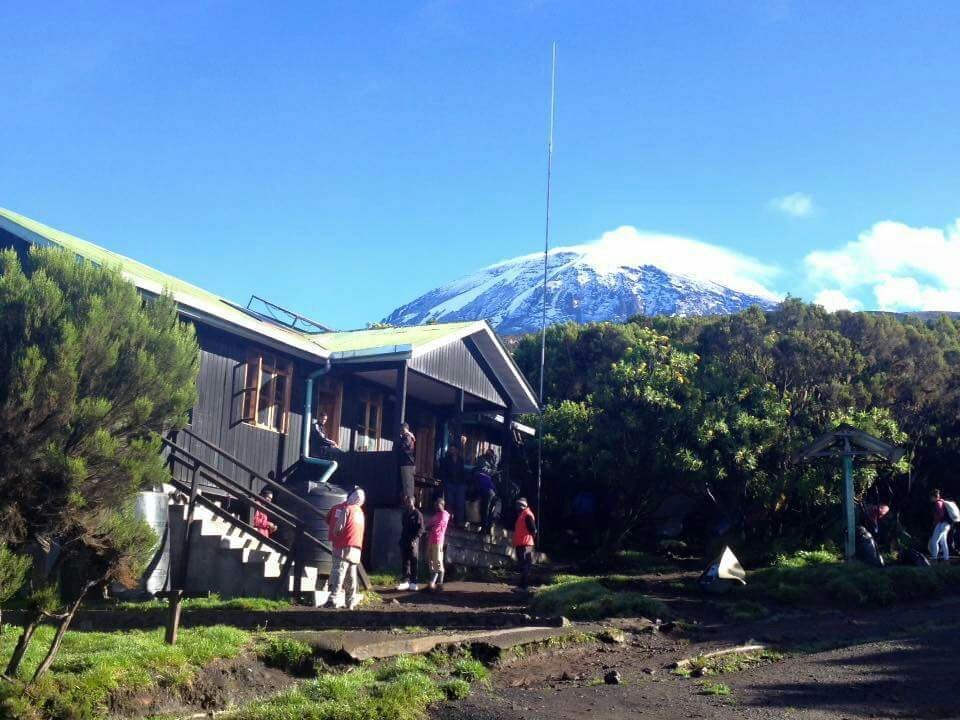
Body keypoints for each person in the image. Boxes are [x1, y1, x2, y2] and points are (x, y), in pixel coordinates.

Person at [325, 487, 366, 609]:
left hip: (343, 546)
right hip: (356, 547)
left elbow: (338, 527)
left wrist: (335, 533)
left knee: (338, 572)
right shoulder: (360, 512)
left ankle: (333, 599)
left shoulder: (347, 509)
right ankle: (350, 601)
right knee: (351, 576)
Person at [397, 494, 424, 591]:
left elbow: (421, 529)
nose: (407, 503)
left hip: (414, 541)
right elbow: (403, 527)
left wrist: (415, 539)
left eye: (409, 502)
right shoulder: (405, 513)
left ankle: (414, 582)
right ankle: (405, 581)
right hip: (404, 540)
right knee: (405, 562)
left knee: (413, 561)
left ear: (413, 502)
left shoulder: (417, 514)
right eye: (406, 502)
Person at [426, 497, 451, 591]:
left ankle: (439, 584)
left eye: (437, 504)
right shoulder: (436, 515)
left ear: (442, 504)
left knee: (438, 562)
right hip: (431, 540)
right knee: (431, 561)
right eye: (435, 504)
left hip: (438, 541)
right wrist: (429, 527)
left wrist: (430, 527)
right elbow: (428, 525)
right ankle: (432, 583)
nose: (435, 506)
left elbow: (437, 527)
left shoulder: (444, 515)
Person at [513, 498, 537, 590]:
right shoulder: (522, 515)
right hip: (522, 544)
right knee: (524, 565)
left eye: (519, 505)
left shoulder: (527, 515)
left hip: (526, 544)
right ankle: (522, 585)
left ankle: (524, 586)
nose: (518, 507)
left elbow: (533, 530)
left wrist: (532, 538)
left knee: (526, 565)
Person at [440, 445, 467, 526]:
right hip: (450, 483)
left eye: (453, 449)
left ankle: (458, 521)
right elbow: (444, 472)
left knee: (459, 503)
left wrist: (463, 483)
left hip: (460, 484)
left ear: (457, 450)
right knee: (449, 502)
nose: (452, 451)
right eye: (451, 449)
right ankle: (447, 520)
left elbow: (462, 472)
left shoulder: (461, 460)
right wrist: (445, 482)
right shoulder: (446, 460)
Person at [473, 466, 497, 536]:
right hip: (494, 494)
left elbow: (478, 489)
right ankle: (488, 529)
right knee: (490, 512)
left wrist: (475, 498)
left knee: (484, 511)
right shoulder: (486, 476)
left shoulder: (477, 476)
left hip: (488, 494)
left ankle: (483, 529)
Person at [929, 488, 951, 563]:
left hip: (941, 524)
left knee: (934, 541)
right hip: (946, 525)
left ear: (933, 497)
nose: (930, 499)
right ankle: (946, 559)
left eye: (931, 497)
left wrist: (935, 522)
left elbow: (940, 515)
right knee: (943, 542)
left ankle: (934, 559)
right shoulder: (942, 502)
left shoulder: (938, 503)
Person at [398, 422, 417, 504]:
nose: (400, 431)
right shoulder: (409, 436)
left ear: (404, 429)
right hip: (408, 464)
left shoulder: (407, 437)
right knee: (408, 487)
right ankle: (408, 505)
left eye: (401, 429)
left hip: (407, 464)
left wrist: (399, 440)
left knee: (408, 487)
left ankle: (410, 506)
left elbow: (403, 447)